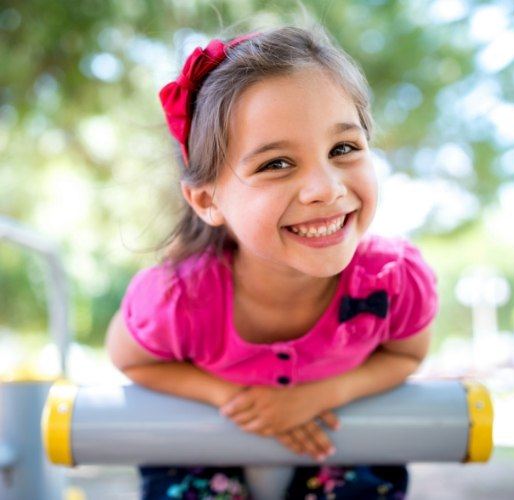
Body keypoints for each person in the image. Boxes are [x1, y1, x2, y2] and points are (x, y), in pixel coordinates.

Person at [106, 24, 438, 500]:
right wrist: (232, 401)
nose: (325, 188)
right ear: (206, 199)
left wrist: (320, 395)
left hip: (336, 445)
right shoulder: (177, 299)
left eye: (343, 148)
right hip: (204, 453)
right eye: (276, 163)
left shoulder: (394, 282)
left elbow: (407, 355)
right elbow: (130, 360)